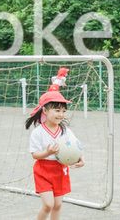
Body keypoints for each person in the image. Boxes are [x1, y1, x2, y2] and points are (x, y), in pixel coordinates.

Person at [26, 81, 85, 220]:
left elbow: (76, 146)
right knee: (48, 205)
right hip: (43, 170)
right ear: (45, 111)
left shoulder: (66, 130)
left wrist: (81, 158)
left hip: (60, 170)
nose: (61, 114)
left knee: (57, 205)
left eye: (63, 111)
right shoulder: (38, 132)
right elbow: (35, 155)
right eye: (57, 110)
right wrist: (47, 153)